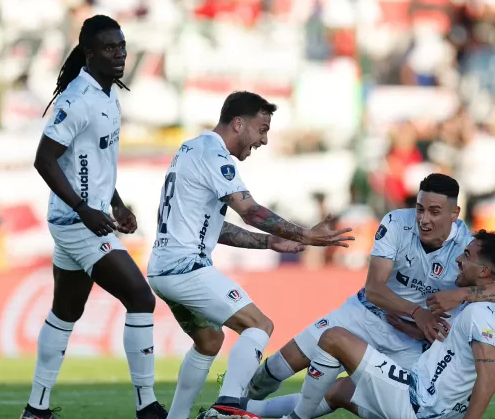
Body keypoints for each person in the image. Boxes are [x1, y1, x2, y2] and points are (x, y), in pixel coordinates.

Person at [242, 174, 495, 419]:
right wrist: (417, 312)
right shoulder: (396, 223)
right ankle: (236, 405)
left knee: (346, 392)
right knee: (276, 368)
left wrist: (460, 294)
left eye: (435, 212)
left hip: (411, 340)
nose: (424, 220)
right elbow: (375, 288)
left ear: (454, 213)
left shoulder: (467, 248)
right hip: (365, 315)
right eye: (420, 209)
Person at [146, 91, 355, 419]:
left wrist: (268, 242)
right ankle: (228, 408)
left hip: (163, 269)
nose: (264, 140)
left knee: (210, 341)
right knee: (259, 325)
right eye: (262, 129)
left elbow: (215, 228)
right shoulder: (215, 155)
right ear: (238, 124)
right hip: (186, 269)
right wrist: (304, 233)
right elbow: (250, 211)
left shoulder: (191, 149)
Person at [23, 15, 167, 419]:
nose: (119, 54)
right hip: (76, 223)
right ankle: (147, 406)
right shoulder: (77, 99)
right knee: (140, 297)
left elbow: (93, 159)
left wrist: (116, 202)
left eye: (121, 46)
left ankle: (36, 409)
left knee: (66, 312)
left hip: (86, 217)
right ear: (89, 53)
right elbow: (44, 158)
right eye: (109, 48)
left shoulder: (108, 94)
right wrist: (84, 209)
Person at [285, 229, 495, 419]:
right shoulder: (494, 300)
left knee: (334, 337)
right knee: (341, 391)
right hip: (428, 400)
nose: (458, 258)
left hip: (420, 405)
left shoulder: (480, 312)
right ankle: (250, 408)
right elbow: (460, 348)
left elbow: (488, 382)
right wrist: (418, 332)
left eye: (466, 255)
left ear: (485, 271)